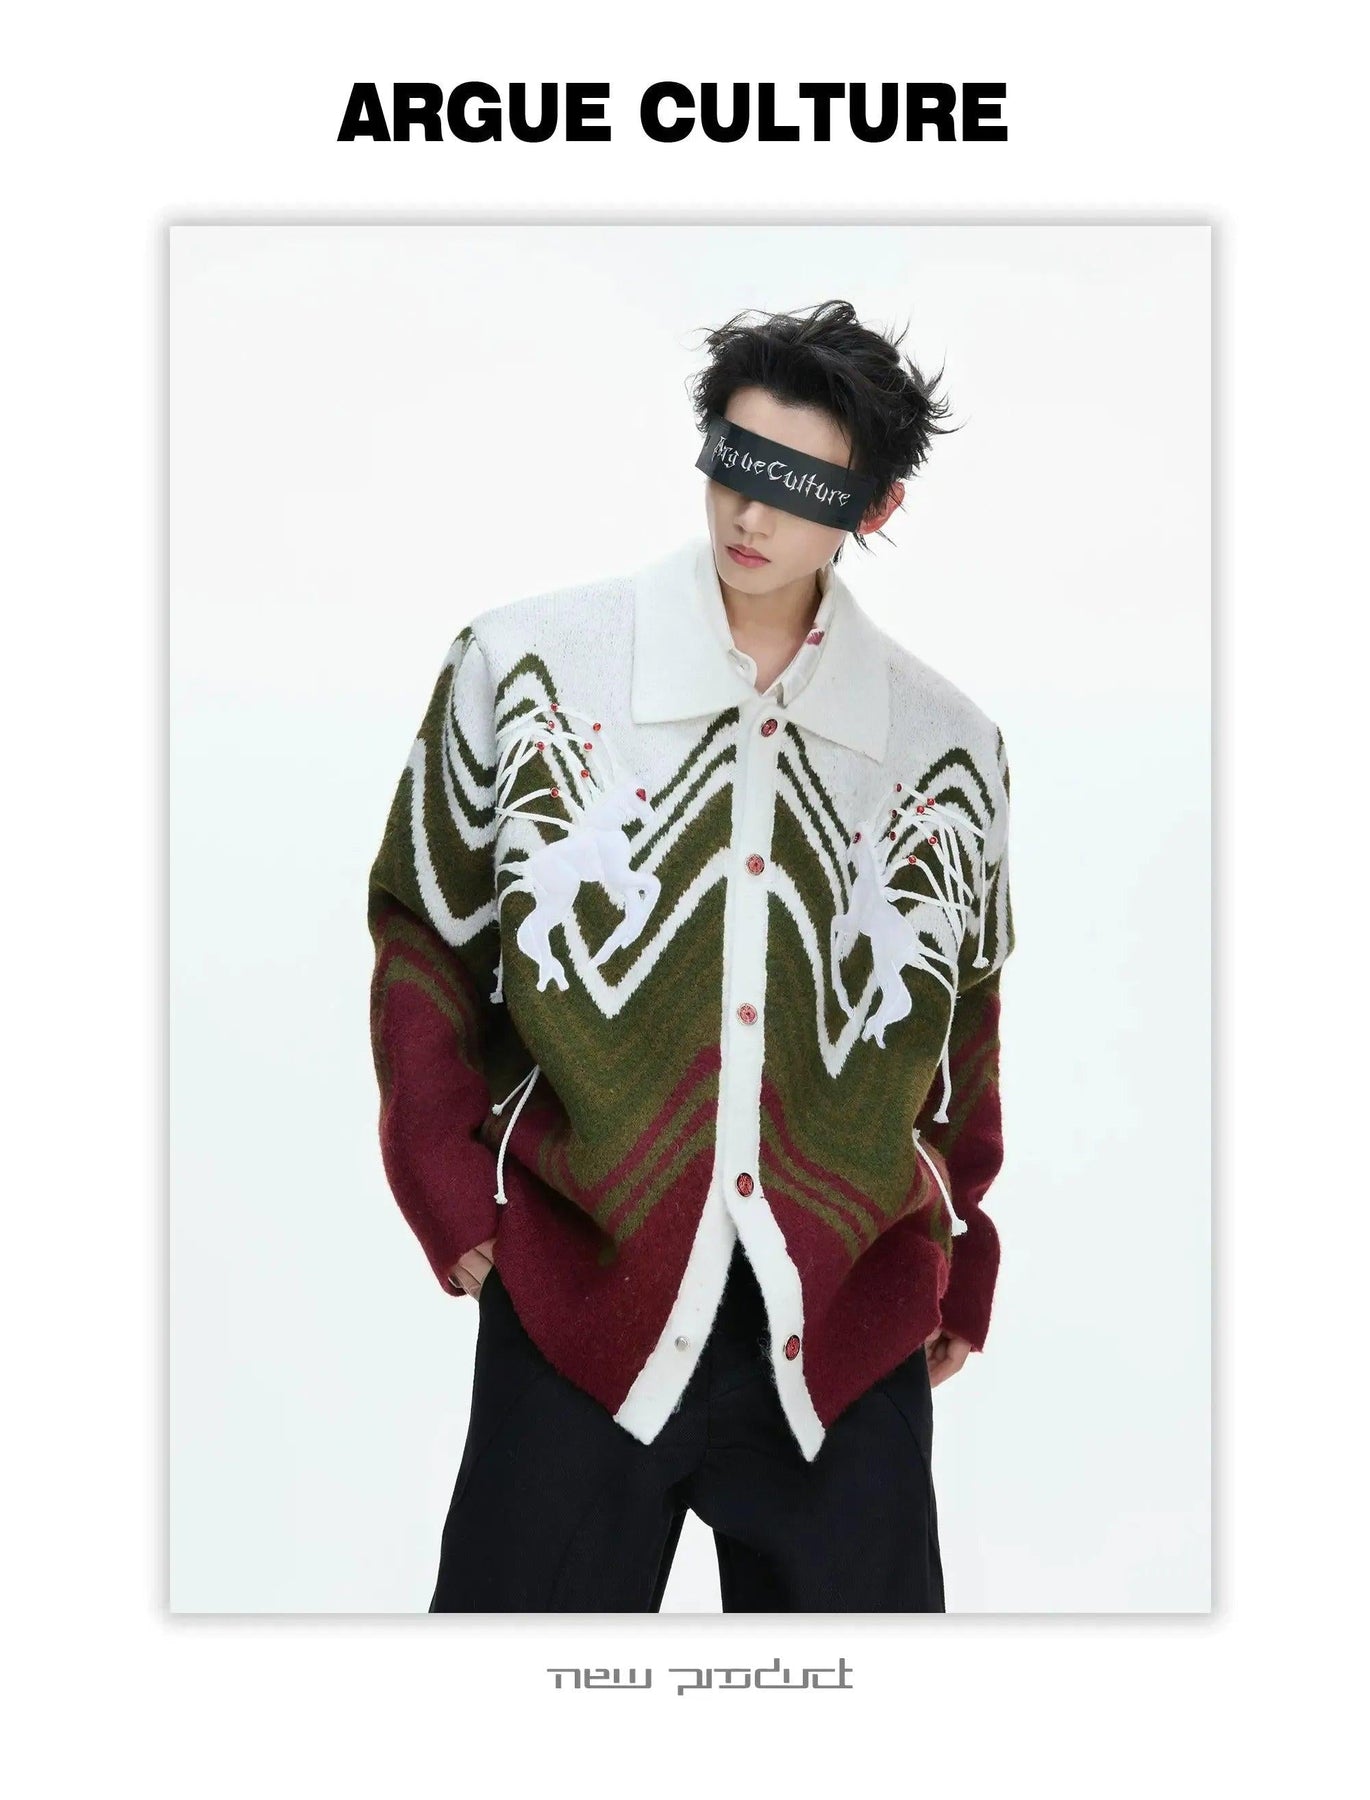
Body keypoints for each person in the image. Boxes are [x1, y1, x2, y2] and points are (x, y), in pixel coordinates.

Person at [366, 298, 1016, 1612]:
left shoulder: (947, 745)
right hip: (577, 1296)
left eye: (797, 487)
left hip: (848, 1319)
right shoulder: (531, 665)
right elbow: (426, 924)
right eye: (733, 461)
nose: (748, 513)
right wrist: (447, 1182)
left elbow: (966, 1022)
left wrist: (960, 1249)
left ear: (876, 508)